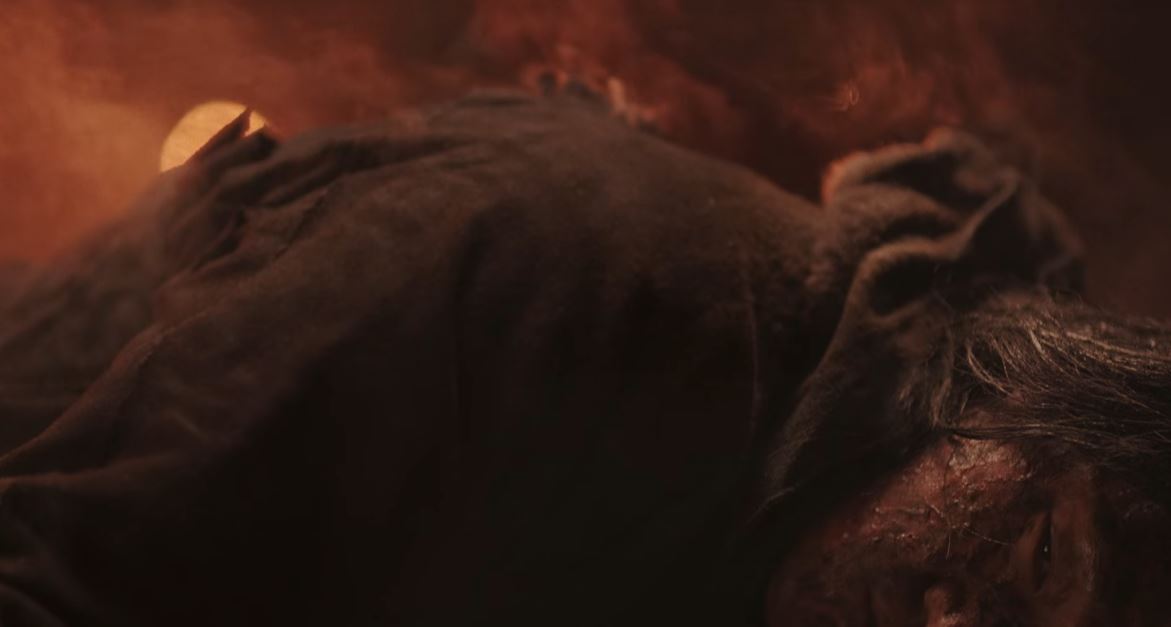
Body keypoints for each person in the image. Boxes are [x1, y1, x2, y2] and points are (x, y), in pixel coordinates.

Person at [0, 89, 1167, 626]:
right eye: (1039, 554)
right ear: (1018, 399)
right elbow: (61, 569)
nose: (957, 625)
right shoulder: (577, 256)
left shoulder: (779, 522)